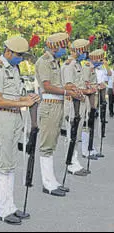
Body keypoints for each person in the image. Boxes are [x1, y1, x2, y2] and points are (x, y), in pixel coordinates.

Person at [0, 36, 41, 225]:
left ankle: (10, 206)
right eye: (18, 55)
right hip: (3, 118)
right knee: (4, 166)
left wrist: (28, 97)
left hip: (15, 117)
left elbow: (16, 94)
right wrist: (22, 102)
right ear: (8, 51)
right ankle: (3, 210)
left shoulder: (14, 68)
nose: (21, 58)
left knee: (11, 165)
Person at [35, 32, 81, 197]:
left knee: (52, 144)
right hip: (49, 105)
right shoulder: (44, 61)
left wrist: (69, 90)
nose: (64, 49)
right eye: (62, 46)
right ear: (55, 47)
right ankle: (47, 183)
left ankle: (52, 181)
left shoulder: (55, 61)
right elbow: (47, 86)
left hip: (57, 104)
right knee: (46, 145)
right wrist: (66, 91)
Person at [61, 39, 96, 176]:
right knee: (71, 134)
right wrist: (86, 91)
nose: (86, 53)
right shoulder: (70, 65)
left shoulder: (78, 65)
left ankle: (74, 160)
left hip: (79, 103)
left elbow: (79, 83)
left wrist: (86, 88)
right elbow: (68, 86)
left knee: (76, 135)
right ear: (78, 51)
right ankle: (70, 162)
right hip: (72, 104)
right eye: (84, 51)